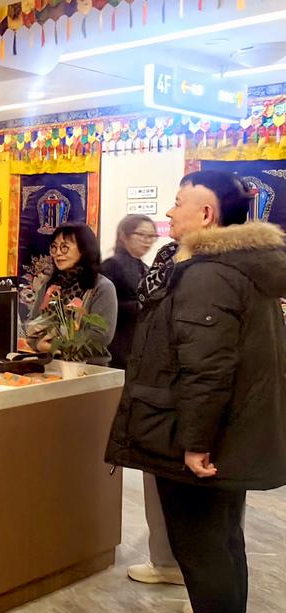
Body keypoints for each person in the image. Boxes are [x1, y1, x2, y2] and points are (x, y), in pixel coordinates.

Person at [105, 171, 286, 613]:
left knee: (205, 551)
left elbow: (206, 369)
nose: (169, 212)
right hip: (233, 434)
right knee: (224, 545)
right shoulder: (244, 267)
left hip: (206, 441)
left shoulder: (208, 274)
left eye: (179, 202)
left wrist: (195, 442)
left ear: (207, 214)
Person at [104, 216, 187, 592]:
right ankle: (168, 561)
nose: (152, 238)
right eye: (144, 234)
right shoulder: (122, 266)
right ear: (124, 236)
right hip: (141, 369)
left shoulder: (180, 267)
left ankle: (189, 578)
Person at [25, 222, 118, 366]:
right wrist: (38, 344)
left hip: (89, 369)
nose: (58, 253)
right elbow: (33, 325)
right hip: (50, 366)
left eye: (64, 247)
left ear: (84, 249)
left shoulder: (102, 287)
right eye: (54, 247)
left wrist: (57, 345)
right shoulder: (49, 286)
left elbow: (101, 336)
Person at [102, 214, 156, 369]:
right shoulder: (111, 265)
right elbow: (104, 308)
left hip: (137, 344)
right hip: (117, 344)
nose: (147, 240)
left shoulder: (145, 268)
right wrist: (141, 306)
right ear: (124, 236)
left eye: (151, 236)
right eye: (141, 235)